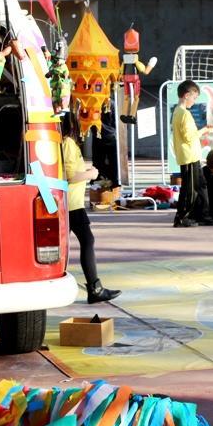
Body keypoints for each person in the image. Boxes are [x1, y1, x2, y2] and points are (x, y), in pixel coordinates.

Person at [60, 113, 121, 304]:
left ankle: (94, 287)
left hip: (71, 202)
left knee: (67, 244)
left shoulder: (66, 143)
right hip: (72, 203)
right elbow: (70, 176)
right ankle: (94, 288)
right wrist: (90, 173)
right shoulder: (69, 143)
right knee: (87, 240)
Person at [171, 80, 213, 227]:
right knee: (190, 188)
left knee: (200, 185)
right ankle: (183, 216)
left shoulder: (178, 111)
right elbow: (189, 137)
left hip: (191, 155)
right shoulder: (184, 114)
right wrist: (204, 130)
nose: (194, 101)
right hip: (189, 155)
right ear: (186, 95)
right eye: (194, 98)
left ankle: (202, 214)